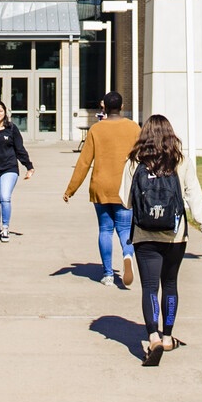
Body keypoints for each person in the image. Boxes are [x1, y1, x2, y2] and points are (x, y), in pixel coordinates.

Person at [119, 114, 202, 365]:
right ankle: (169, 336)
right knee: (170, 284)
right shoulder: (181, 161)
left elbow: (125, 200)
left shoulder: (134, 162)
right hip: (175, 235)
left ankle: (153, 336)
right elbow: (194, 196)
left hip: (144, 236)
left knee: (150, 286)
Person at [64, 90, 141, 287]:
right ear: (122, 107)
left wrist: (70, 189)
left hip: (101, 188)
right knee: (125, 230)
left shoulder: (96, 130)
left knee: (105, 230)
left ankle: (107, 273)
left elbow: (84, 163)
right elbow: (142, 158)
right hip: (125, 188)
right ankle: (127, 254)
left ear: (103, 107)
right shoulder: (133, 128)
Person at [0, 100, 33, 241]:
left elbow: (19, 149)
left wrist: (29, 166)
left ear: (5, 113)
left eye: (0, 111)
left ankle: (5, 228)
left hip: (9, 168)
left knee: (5, 197)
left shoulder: (12, 128)